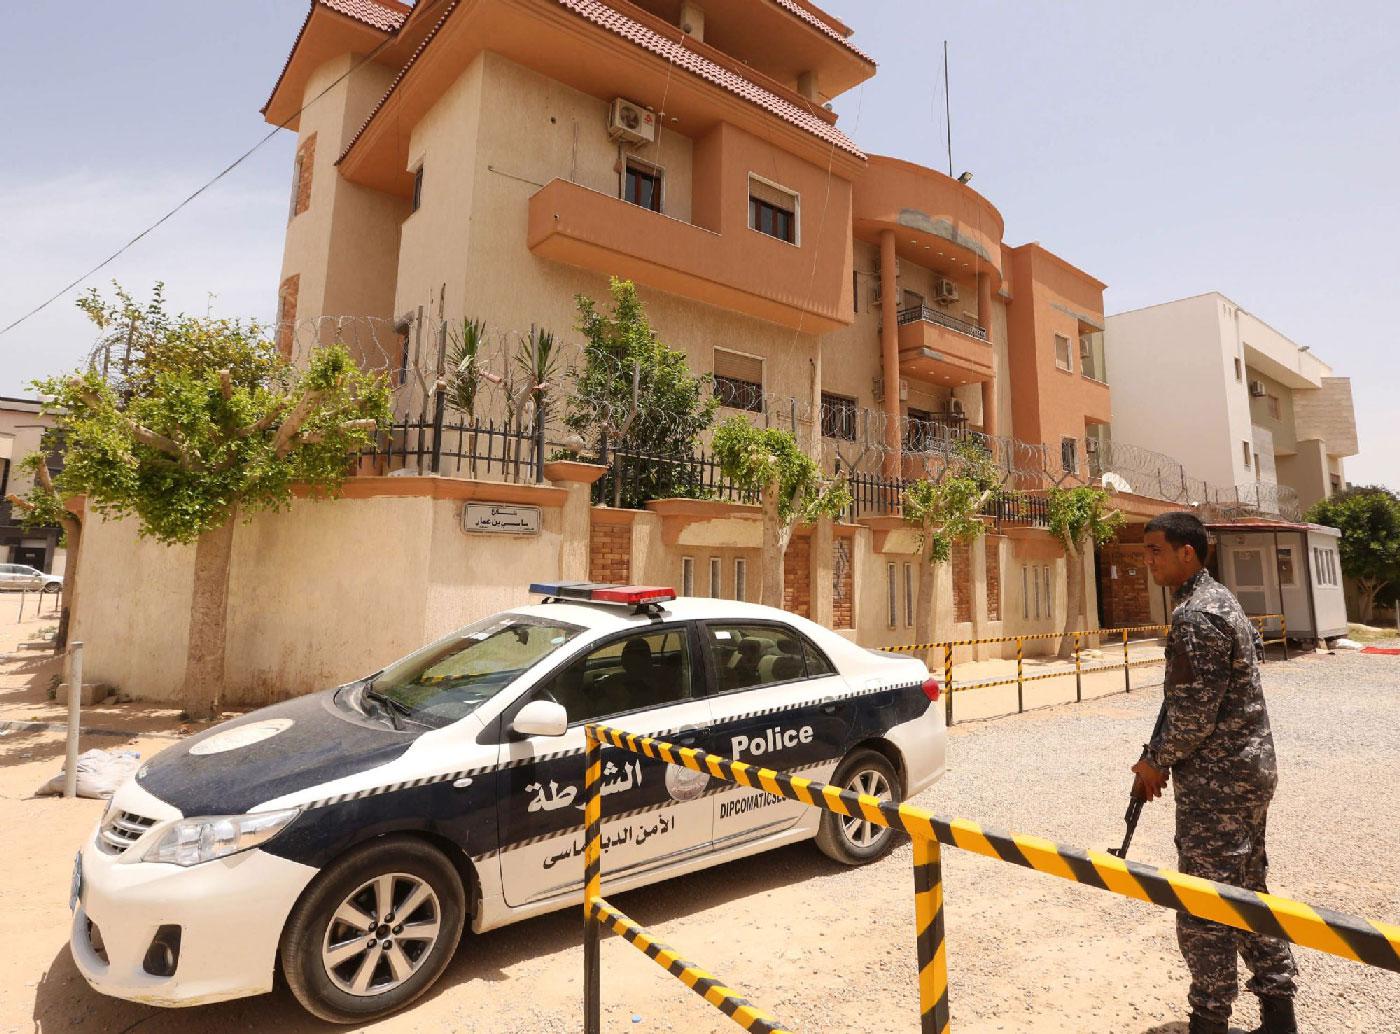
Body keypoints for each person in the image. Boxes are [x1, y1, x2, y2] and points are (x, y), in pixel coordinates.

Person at [1134, 511, 1298, 1034]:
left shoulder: (1197, 614)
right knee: (1249, 889)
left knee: (1205, 904)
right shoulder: (1222, 601)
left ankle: (1209, 1017)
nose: (1148, 560)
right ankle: (1278, 1010)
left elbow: (1192, 712)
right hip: (1247, 771)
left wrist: (1155, 762)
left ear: (1188, 553)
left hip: (1219, 783)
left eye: (1156, 550)